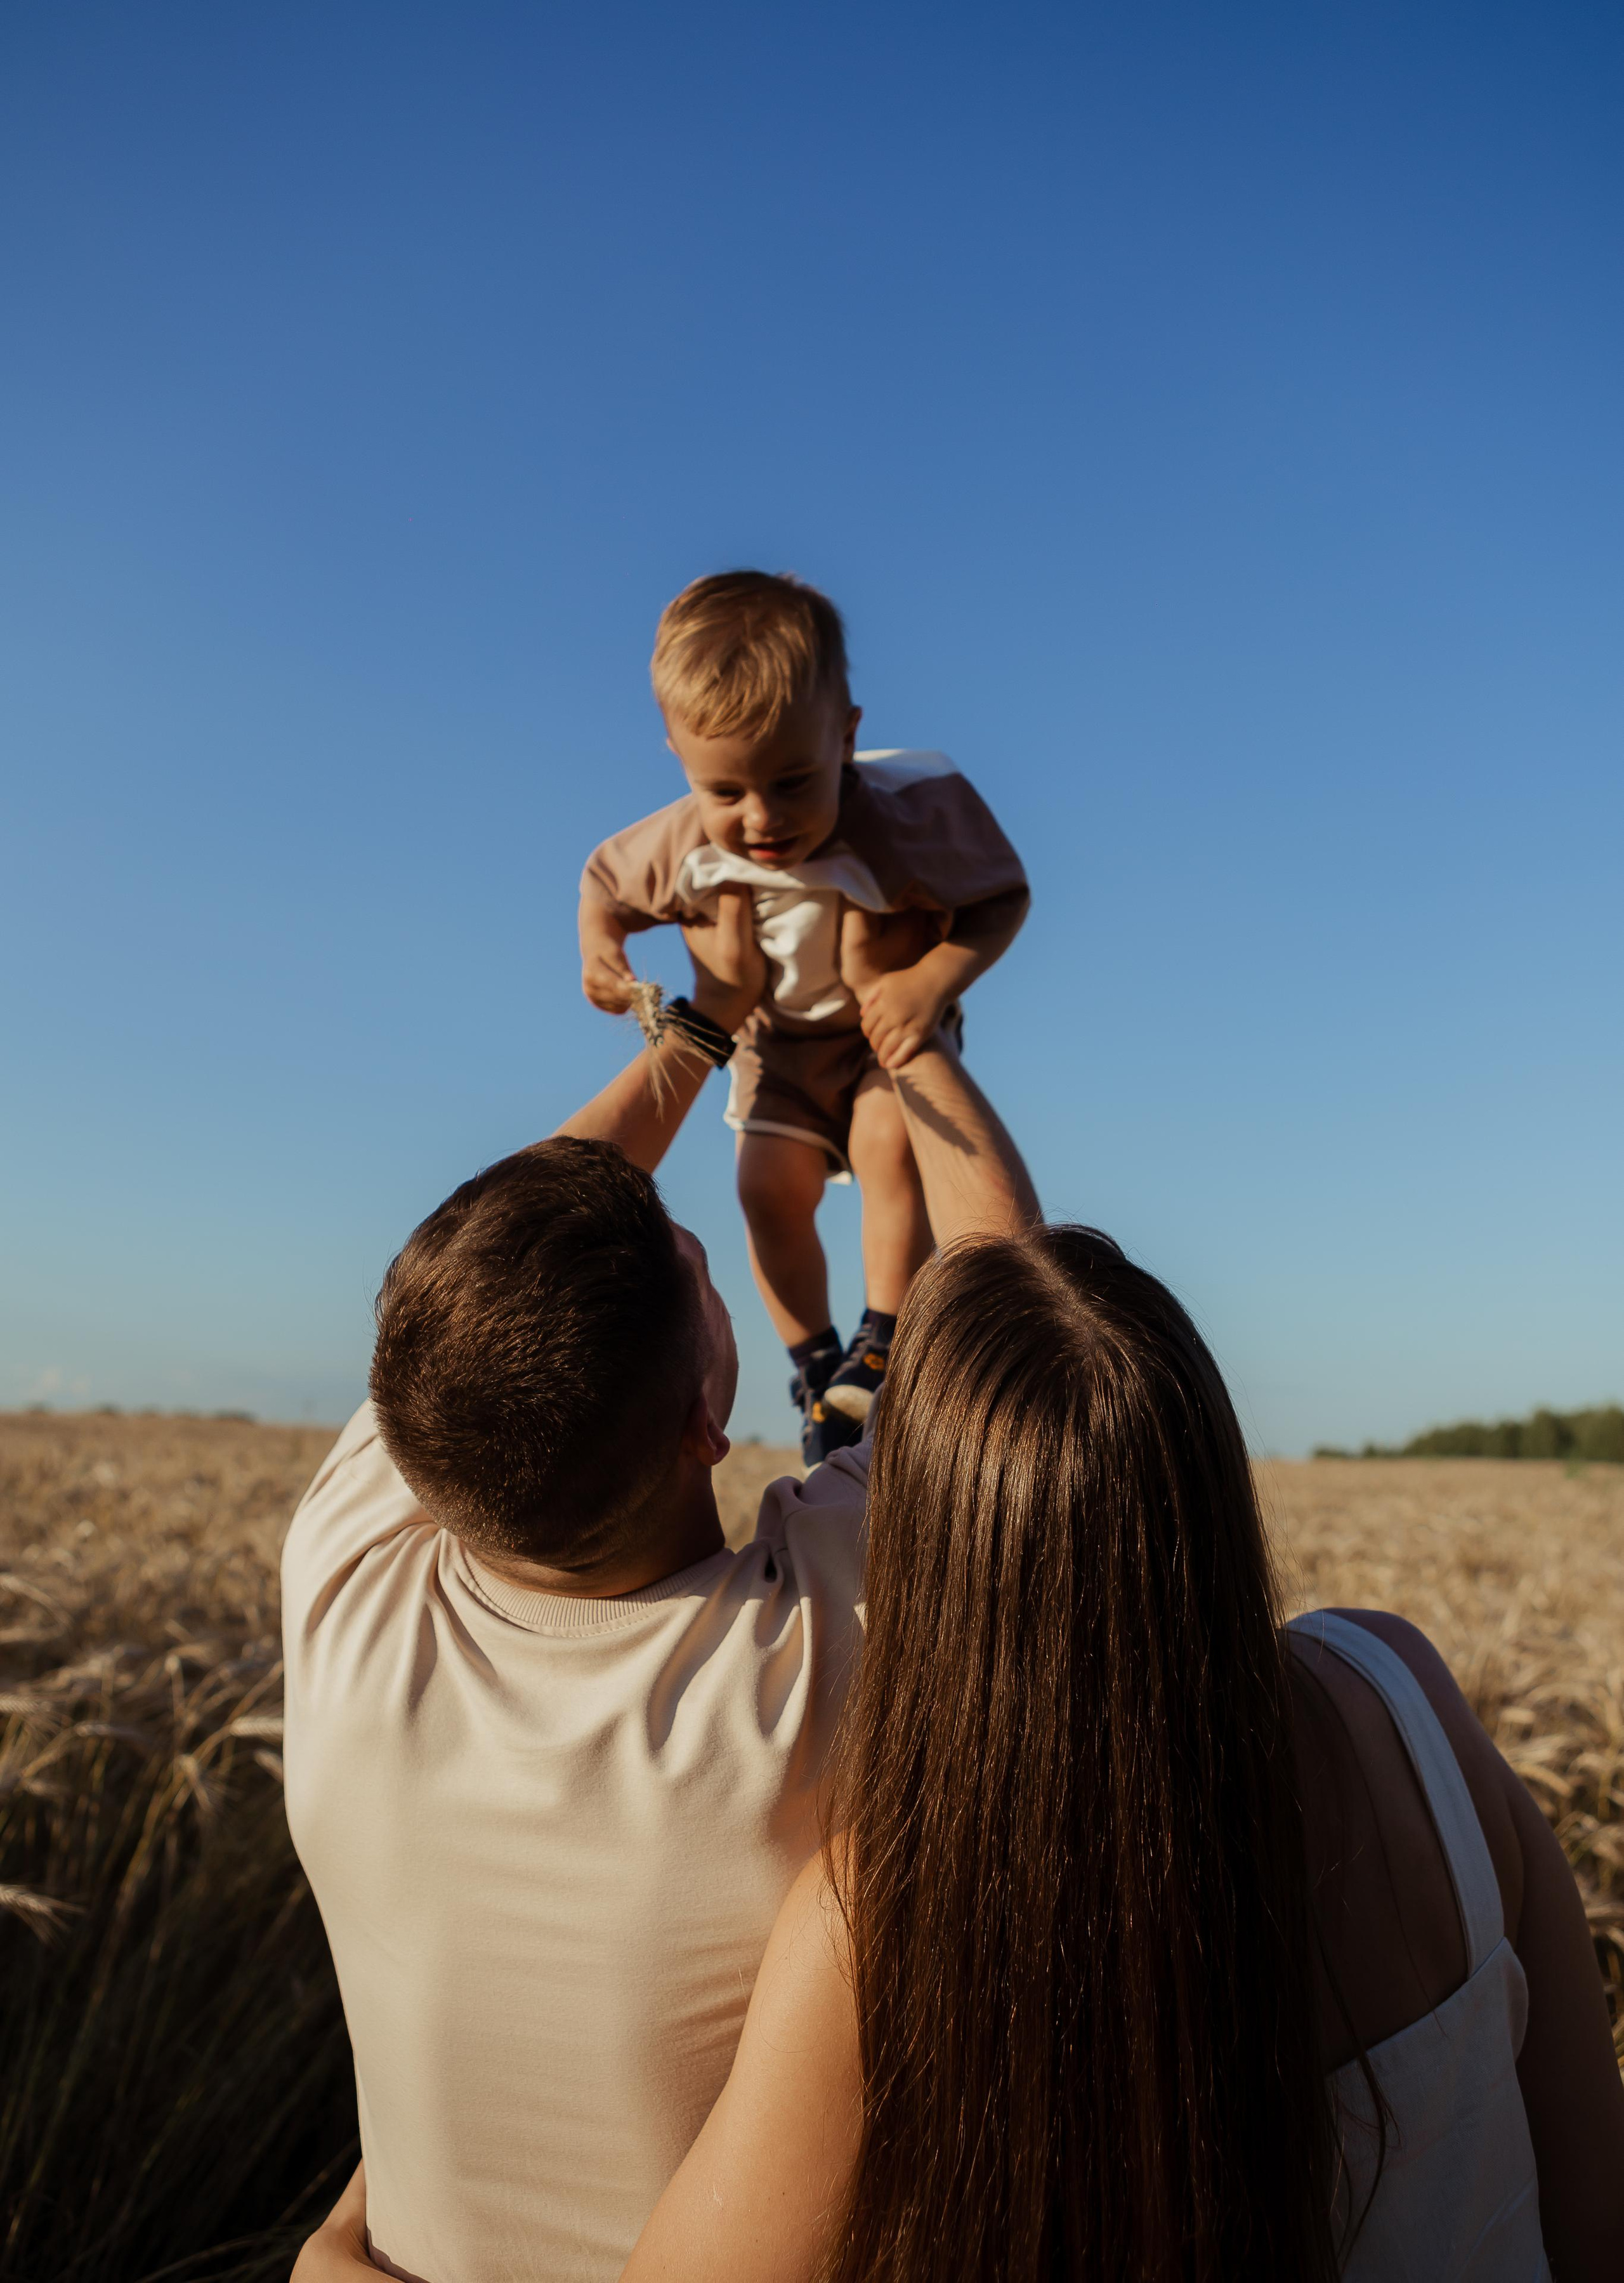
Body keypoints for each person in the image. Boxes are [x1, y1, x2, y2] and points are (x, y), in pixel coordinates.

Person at [296, 1235, 1624, 2281]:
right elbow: (1593, 2219)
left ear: (918, 1544)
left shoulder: (884, 1921)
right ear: (1210, 1478)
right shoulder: (1408, 1705)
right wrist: (919, 1033)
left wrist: (338, 2255)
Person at [280, 895, 1038, 2283]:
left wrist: (695, 1028)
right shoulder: (829, 1634)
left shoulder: (346, 1583)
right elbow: (1010, 1304)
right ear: (705, 1421)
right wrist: (906, 1030)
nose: (699, 1247)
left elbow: (488, 1241)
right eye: (695, 1268)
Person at [578, 569, 1029, 1461]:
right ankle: (818, 1363)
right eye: (727, 793)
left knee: (891, 1146)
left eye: (794, 782)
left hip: (881, 1035)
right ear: (677, 756)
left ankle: (885, 1338)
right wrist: (605, 955)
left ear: (848, 738)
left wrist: (931, 980)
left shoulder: (905, 815)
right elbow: (604, 885)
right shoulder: (682, 845)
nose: (761, 819)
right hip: (773, 1046)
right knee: (764, 1189)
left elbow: (1001, 896)